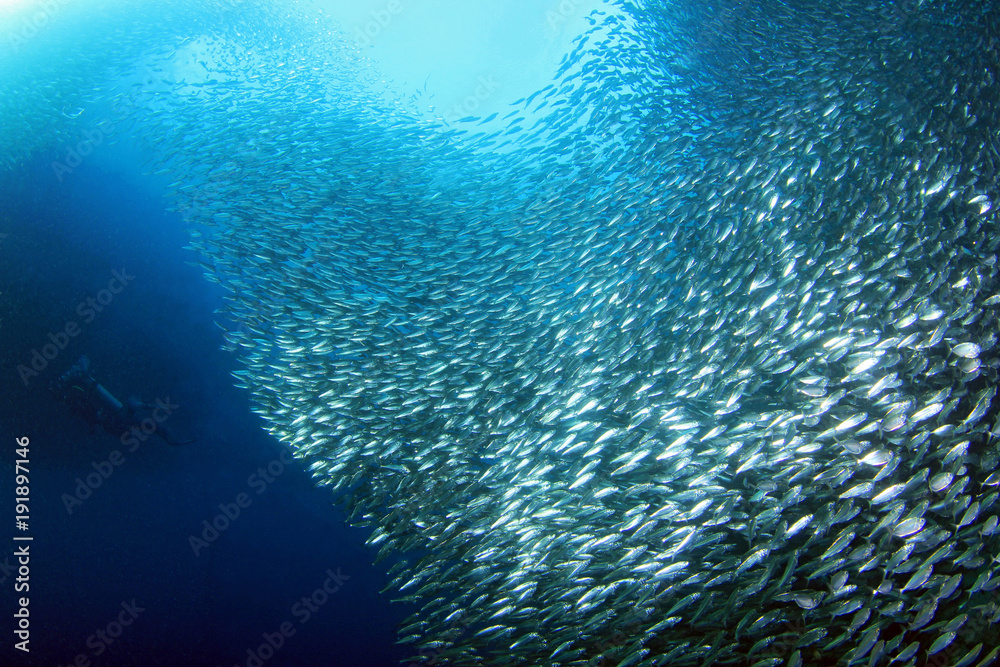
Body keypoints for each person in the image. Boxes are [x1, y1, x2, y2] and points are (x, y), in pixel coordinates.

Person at [50, 356, 194, 446]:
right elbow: (87, 409)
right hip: (112, 415)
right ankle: (143, 407)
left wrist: (94, 422)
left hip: (111, 417)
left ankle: (144, 407)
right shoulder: (74, 394)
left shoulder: (73, 396)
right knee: (137, 421)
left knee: (138, 422)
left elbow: (87, 409)